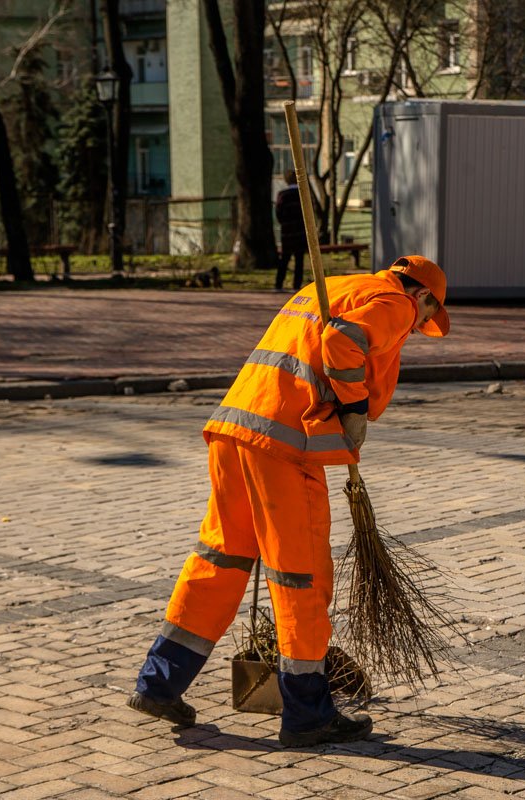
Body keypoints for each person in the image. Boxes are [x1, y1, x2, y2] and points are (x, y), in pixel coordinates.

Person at [128, 255, 451, 747]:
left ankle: (158, 683)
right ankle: (307, 713)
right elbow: (343, 343)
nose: (419, 325)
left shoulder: (337, 286)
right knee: (301, 577)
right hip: (285, 445)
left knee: (221, 560)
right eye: (426, 317)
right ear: (424, 296)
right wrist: (355, 406)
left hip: (234, 430)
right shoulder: (396, 302)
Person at [275, 170, 308, 292]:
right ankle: (296, 285)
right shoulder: (303, 194)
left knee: (284, 258)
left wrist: (284, 223)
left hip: (287, 232)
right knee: (299, 260)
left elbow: (278, 213)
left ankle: (278, 284)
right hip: (301, 231)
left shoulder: (283, 195)